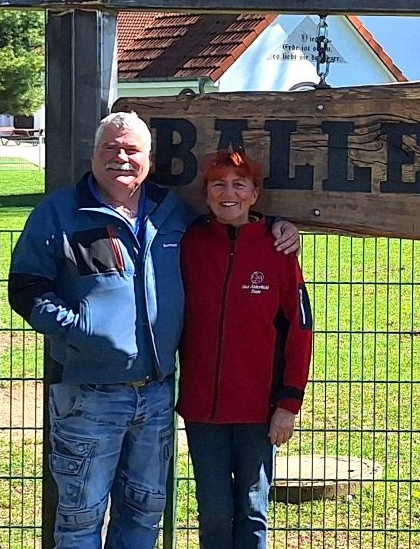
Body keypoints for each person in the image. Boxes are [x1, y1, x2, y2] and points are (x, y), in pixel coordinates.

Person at [7, 112, 298, 549]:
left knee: (143, 513)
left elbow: (231, 217)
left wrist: (276, 223)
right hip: (90, 393)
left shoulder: (171, 211)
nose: (121, 158)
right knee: (82, 516)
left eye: (132, 150)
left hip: (157, 393)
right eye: (110, 148)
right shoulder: (60, 212)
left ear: (149, 158)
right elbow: (26, 286)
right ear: (93, 155)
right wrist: (78, 329)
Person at [177, 150, 313, 549]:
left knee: (253, 508)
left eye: (239, 185)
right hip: (203, 409)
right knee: (214, 511)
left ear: (254, 194)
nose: (228, 193)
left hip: (259, 409)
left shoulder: (277, 249)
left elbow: (300, 329)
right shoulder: (189, 243)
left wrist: (289, 403)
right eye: (218, 184)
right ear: (206, 193)